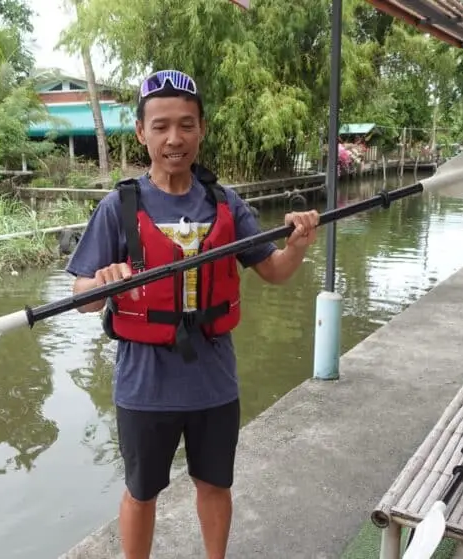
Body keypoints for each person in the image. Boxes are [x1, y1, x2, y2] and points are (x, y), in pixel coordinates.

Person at [65, 69, 320, 559]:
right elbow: (82, 296)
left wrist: (298, 244)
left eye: (186, 125)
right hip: (144, 385)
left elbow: (274, 270)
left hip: (214, 382)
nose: (174, 138)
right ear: (141, 132)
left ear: (202, 128)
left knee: (215, 484)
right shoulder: (119, 206)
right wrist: (101, 283)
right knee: (141, 491)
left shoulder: (225, 203)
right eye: (160, 126)